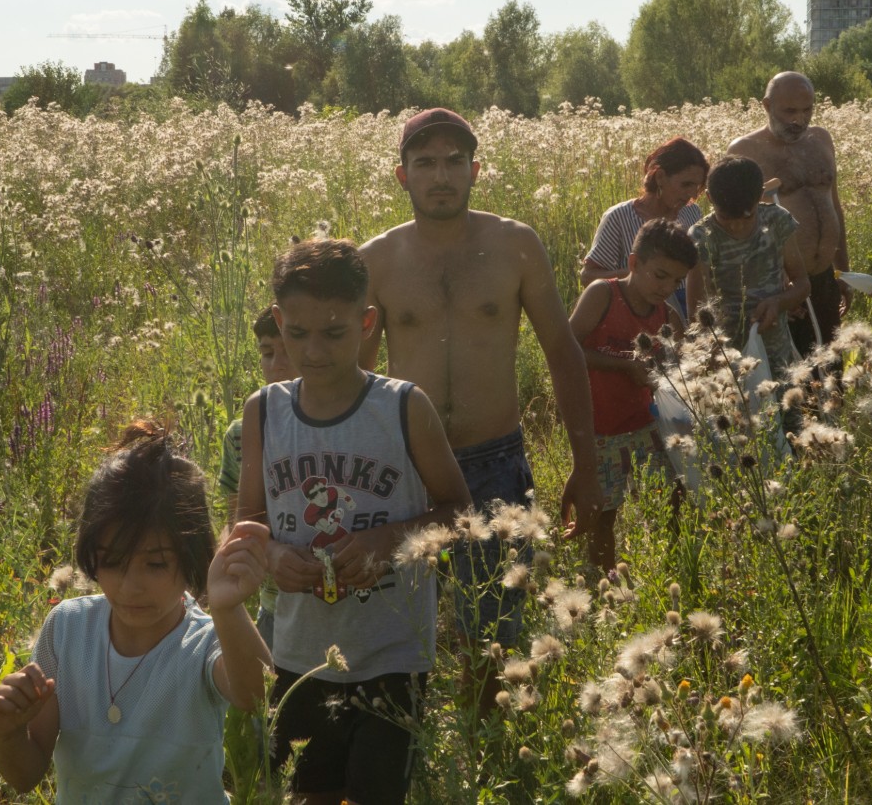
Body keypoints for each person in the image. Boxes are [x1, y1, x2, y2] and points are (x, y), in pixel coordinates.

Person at [357, 107, 602, 701]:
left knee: (492, 635)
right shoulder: (377, 260)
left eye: (453, 162)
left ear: (475, 170)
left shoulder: (515, 245)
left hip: (495, 463)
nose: (440, 175)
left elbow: (563, 352)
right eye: (425, 163)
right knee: (395, 633)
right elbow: (355, 376)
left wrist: (585, 464)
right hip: (404, 468)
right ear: (402, 175)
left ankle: (483, 761)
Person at [237, 238, 471, 805]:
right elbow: (245, 520)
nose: (313, 351)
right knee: (308, 793)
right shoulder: (263, 411)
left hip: (391, 654)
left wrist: (385, 541)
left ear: (367, 323)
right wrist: (270, 558)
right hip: (298, 656)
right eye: (297, 332)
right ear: (278, 321)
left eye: (334, 332)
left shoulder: (401, 407)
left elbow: (459, 512)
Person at [0, 421, 272, 804]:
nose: (129, 586)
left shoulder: (203, 641)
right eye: (113, 562)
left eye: (155, 565)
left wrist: (227, 606)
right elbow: (26, 775)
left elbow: (257, 694)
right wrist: (6, 732)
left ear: (191, 556)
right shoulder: (68, 629)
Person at [568, 218, 694, 570]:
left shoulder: (668, 315)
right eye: (660, 275)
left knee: (675, 498)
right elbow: (568, 347)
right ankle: (604, 582)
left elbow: (682, 366)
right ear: (635, 263)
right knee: (603, 515)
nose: (667, 286)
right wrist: (624, 366)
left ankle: (672, 570)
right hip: (601, 429)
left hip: (648, 426)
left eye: (676, 280)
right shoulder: (603, 294)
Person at [728, 72, 850, 356]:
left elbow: (834, 205)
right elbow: (736, 225)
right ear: (767, 106)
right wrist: (783, 284)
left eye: (807, 110)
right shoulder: (745, 150)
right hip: (782, 290)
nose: (799, 119)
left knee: (831, 370)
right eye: (790, 111)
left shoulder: (821, 140)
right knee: (794, 379)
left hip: (824, 280)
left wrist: (842, 271)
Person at [216, 307, 299, 646]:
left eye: (288, 351)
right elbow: (240, 523)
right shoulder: (240, 433)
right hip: (275, 606)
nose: (278, 364)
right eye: (267, 353)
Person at [688, 157, 810, 376]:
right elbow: (697, 312)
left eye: (748, 217)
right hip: (726, 357)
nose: (737, 225)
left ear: (760, 196)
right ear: (708, 198)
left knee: (785, 407)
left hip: (777, 353)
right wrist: (714, 353)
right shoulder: (701, 237)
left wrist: (778, 303)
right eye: (726, 218)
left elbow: (803, 284)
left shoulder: (776, 221)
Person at [579, 137, 708, 292]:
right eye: (686, 184)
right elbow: (588, 277)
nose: (693, 194)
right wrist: (638, 274)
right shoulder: (620, 217)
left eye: (697, 186)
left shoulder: (692, 212)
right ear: (660, 177)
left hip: (687, 308)